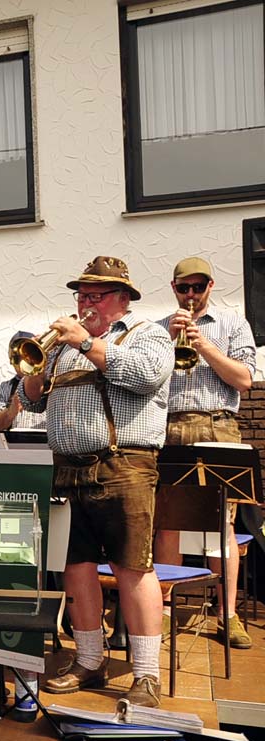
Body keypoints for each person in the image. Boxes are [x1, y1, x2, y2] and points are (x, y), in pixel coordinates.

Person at [20, 256, 172, 708]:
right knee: (76, 567)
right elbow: (28, 403)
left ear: (122, 300)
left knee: (132, 567)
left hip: (123, 464)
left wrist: (85, 341)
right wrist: (35, 368)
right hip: (66, 467)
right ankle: (89, 660)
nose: (85, 302)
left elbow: (145, 378)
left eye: (95, 295)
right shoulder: (65, 348)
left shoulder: (148, 335)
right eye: (81, 295)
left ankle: (145, 674)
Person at [154, 256, 257, 649]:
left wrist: (204, 345)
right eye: (184, 288)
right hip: (170, 425)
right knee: (167, 523)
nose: (192, 295)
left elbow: (244, 380)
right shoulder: (159, 329)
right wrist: (170, 340)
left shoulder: (233, 323)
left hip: (218, 425)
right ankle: (162, 608)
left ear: (211, 287)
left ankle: (226, 614)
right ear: (174, 288)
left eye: (199, 287)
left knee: (222, 523)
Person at [0, 331, 46, 432]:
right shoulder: (6, 387)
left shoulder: (53, 383)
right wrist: (10, 412)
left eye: (30, 355)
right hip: (17, 444)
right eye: (17, 358)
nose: (24, 361)